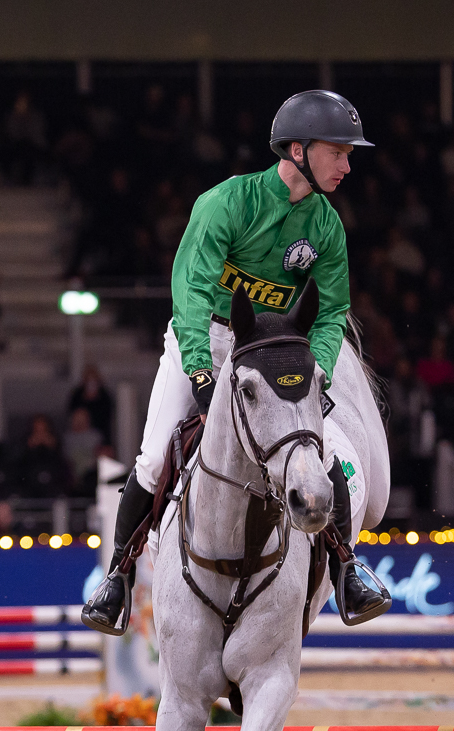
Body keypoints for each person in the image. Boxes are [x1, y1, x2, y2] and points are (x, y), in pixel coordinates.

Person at [82, 90, 391, 635]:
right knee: (155, 456)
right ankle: (117, 580)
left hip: (274, 352)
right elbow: (192, 293)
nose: (346, 165)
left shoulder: (326, 226)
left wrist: (315, 374)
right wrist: (201, 370)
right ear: (297, 150)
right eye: (337, 152)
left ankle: (345, 568)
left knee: (321, 456)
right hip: (205, 337)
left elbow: (332, 312)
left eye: (348, 154)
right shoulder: (226, 204)